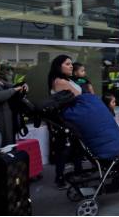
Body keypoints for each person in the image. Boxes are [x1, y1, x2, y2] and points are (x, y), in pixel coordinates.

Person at [48, 54, 83, 189]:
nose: (71, 66)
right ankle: (60, 178)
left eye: (71, 63)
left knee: (75, 147)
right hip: (65, 119)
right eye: (67, 64)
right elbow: (78, 96)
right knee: (65, 149)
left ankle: (77, 173)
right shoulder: (60, 82)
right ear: (59, 66)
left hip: (71, 118)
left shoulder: (67, 79)